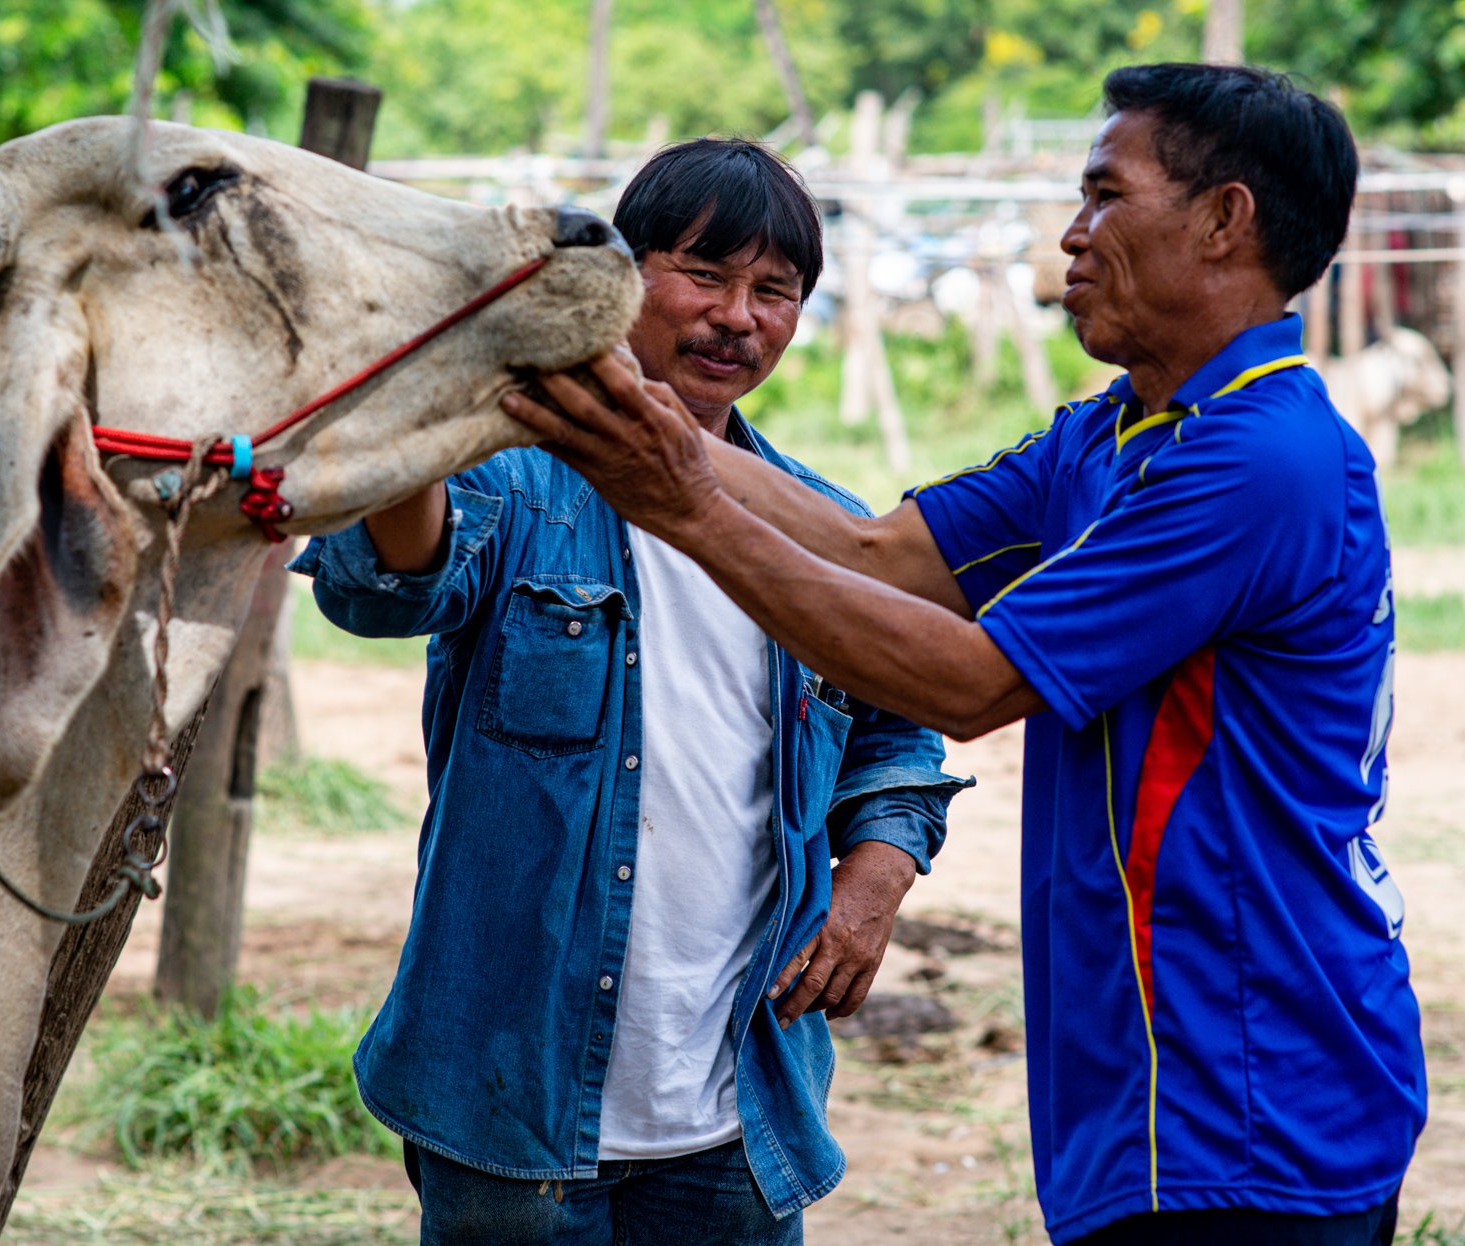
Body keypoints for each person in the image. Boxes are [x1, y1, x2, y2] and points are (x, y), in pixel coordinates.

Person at [503, 65, 1425, 1246]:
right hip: (1150, 1077)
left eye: (1101, 195)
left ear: (1221, 220)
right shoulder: (1110, 430)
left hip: (1250, 1087)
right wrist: (607, 407)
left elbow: (967, 682)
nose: (1069, 234)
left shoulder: (1253, 460)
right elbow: (872, 549)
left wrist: (679, 502)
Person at [290, 137, 965, 1243]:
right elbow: (388, 588)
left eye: (774, 290)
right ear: (619, 276)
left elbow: (896, 730)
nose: (737, 316)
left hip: (738, 1111)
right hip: (509, 1101)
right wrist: (413, 411)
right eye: (702, 274)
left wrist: (872, 883)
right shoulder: (513, 479)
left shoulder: (824, 526)